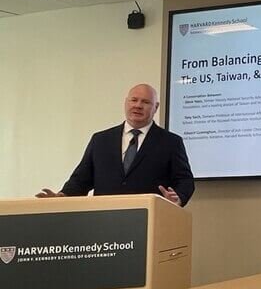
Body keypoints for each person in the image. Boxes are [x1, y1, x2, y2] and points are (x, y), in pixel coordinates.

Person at [37, 83, 195, 207]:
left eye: (146, 102)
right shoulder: (101, 140)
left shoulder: (170, 142)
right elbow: (81, 180)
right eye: (134, 100)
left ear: (156, 107)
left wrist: (178, 197)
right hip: (104, 221)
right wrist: (62, 196)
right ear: (126, 102)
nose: (138, 105)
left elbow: (185, 180)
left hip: (149, 219)